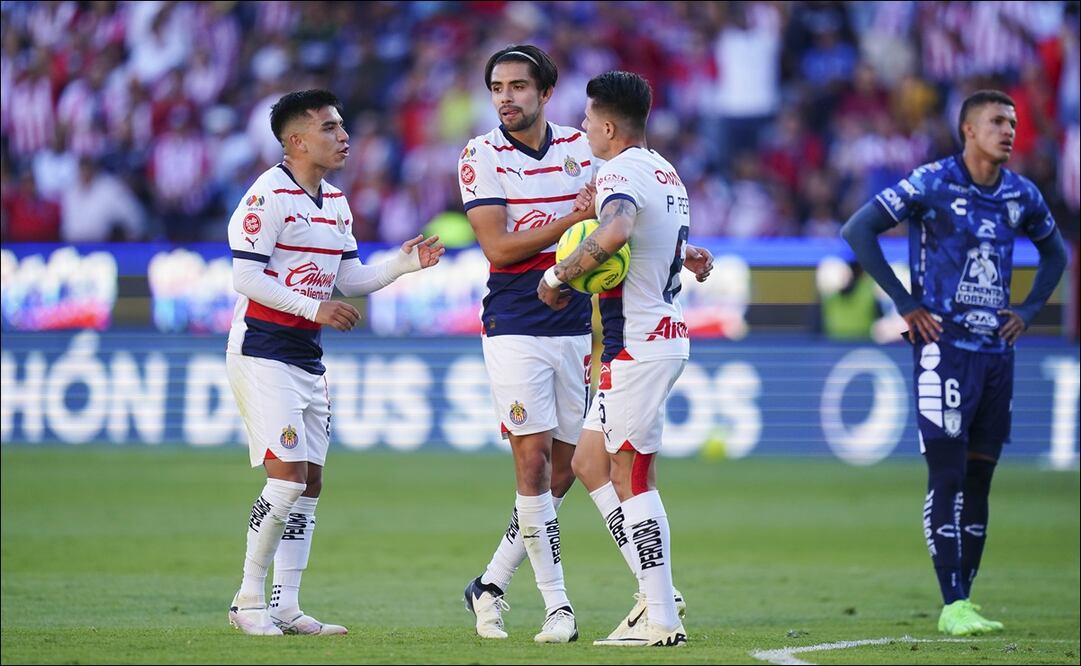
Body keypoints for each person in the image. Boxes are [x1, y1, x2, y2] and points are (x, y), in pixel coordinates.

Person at [841, 89, 1067, 636]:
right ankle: (951, 602)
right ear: (968, 130)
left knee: (981, 479)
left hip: (996, 355)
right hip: (943, 351)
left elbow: (1057, 251)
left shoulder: (1019, 194)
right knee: (947, 474)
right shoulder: (932, 182)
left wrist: (1030, 310)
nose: (1009, 131)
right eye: (997, 121)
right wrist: (905, 301)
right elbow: (858, 229)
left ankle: (967, 599)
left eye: (1013, 122)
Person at [225, 89, 444, 636]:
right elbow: (245, 278)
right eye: (329, 127)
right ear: (296, 140)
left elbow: (350, 278)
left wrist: (402, 264)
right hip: (262, 349)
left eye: (341, 126)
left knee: (312, 482)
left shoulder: (336, 203)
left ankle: (286, 605)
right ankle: (247, 600)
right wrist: (313, 307)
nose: (343, 135)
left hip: (305, 356)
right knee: (287, 479)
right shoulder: (267, 196)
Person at [538, 70, 698, 648]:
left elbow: (620, 227)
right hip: (652, 339)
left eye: (585, 121)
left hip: (641, 344)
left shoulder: (620, 172)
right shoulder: (665, 170)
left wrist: (558, 274)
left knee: (632, 474)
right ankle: (652, 596)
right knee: (588, 463)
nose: (582, 130)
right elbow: (658, 236)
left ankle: (662, 617)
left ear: (607, 126)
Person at [457, 44, 597, 645]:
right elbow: (500, 249)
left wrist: (681, 251)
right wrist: (572, 220)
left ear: (545, 92)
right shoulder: (480, 155)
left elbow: (620, 217)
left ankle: (489, 583)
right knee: (532, 458)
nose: (505, 98)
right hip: (514, 319)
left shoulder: (580, 148)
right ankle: (558, 607)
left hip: (574, 321)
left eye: (518, 86)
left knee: (567, 467)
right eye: (496, 87)